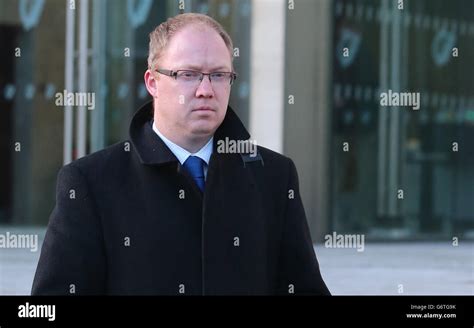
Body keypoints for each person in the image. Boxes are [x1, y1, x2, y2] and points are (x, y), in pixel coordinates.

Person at [31, 13, 330, 295]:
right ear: (152, 82)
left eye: (219, 75)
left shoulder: (274, 177)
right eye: (188, 74)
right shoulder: (91, 183)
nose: (205, 90)